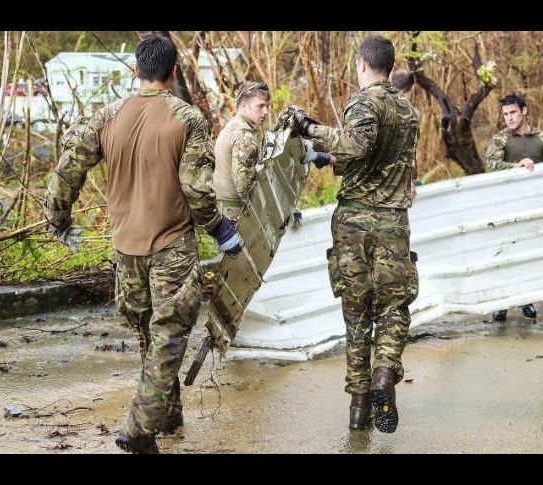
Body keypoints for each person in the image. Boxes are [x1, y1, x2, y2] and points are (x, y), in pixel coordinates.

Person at [42, 36, 243, 454]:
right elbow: (197, 190)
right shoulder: (187, 118)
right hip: (170, 247)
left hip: (126, 251)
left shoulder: (107, 116)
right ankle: (138, 429)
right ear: (172, 73)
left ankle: (167, 419)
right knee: (168, 338)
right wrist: (220, 229)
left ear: (136, 70)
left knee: (150, 339)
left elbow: (67, 166)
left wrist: (58, 218)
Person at [292, 34, 420, 434]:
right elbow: (376, 160)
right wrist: (329, 157)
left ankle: (359, 408)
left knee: (356, 314)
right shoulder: (409, 111)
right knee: (393, 308)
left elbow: (358, 146)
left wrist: (311, 128)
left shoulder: (363, 101)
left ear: (363, 64)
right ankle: (384, 375)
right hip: (393, 223)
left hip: (354, 223)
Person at [484, 93, 543, 323]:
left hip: (534, 206)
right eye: (505, 114)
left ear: (524, 111)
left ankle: (526, 300)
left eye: (513, 113)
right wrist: (516, 166)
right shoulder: (501, 140)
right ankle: (502, 303)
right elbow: (490, 167)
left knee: (528, 253)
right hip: (505, 206)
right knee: (504, 253)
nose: (509, 118)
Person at [213, 81, 270, 221]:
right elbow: (244, 187)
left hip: (224, 208)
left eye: (267, 106)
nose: (266, 112)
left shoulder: (236, 124)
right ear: (244, 106)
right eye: (260, 106)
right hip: (234, 212)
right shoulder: (244, 135)